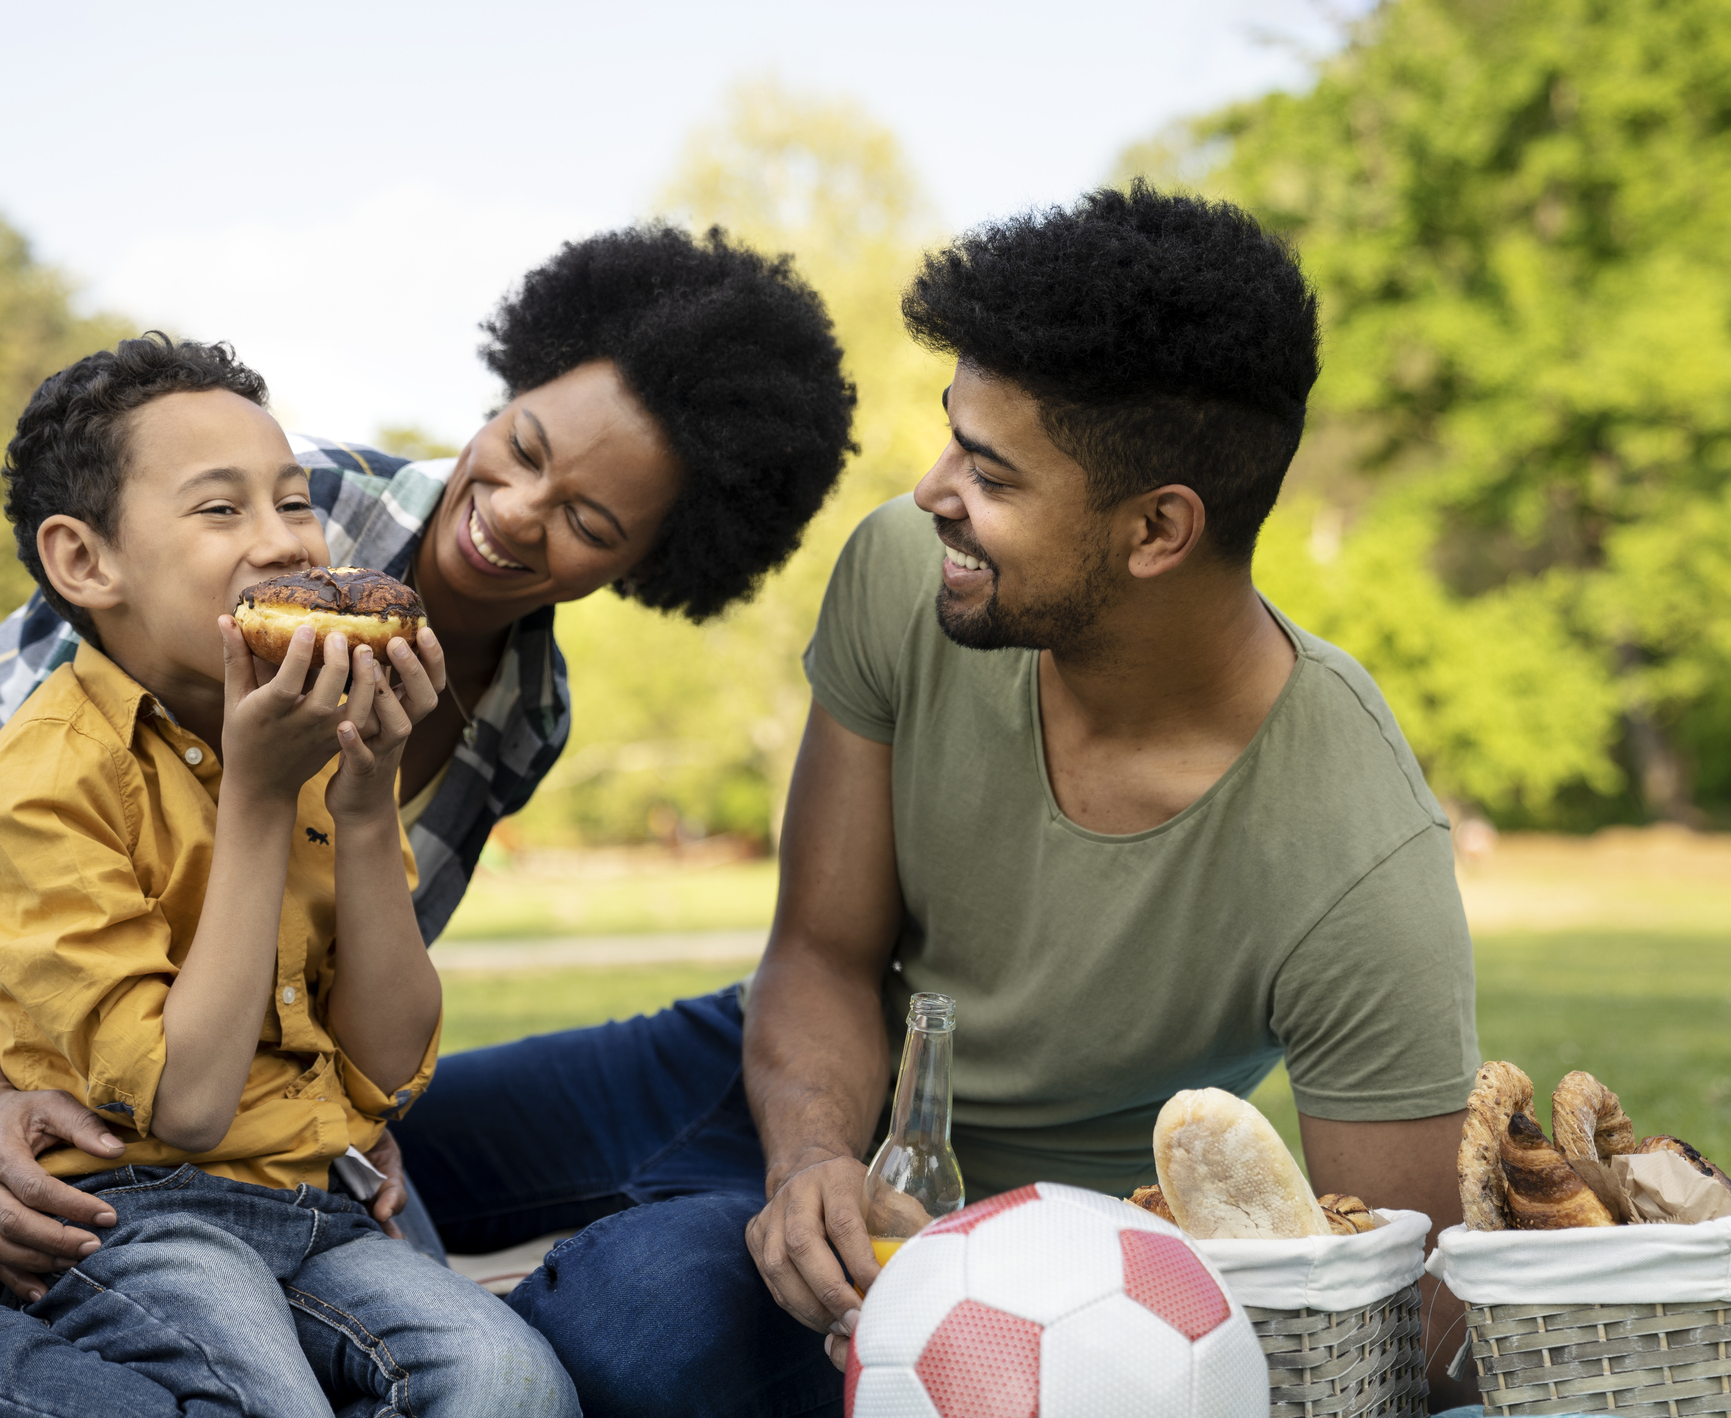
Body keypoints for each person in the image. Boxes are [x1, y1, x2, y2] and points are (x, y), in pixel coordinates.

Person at [386, 183, 1480, 1416]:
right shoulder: (906, 574)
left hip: (1015, 1231)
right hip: (789, 1064)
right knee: (336, 1136)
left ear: (1157, 529)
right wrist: (809, 1156)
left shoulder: (1353, 851)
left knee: (642, 1321)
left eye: (990, 472)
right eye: (952, 433)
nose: (927, 489)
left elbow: (1397, 1313)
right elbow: (819, 948)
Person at [0, 222, 858, 1308]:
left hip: (171, 1045)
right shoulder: (292, 515)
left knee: (447, 1342)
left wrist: (353, 1116)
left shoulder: (527, 711)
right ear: (505, 395)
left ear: (645, 561)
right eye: (522, 447)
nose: (514, 512)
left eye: (586, 518)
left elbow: (345, 932)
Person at [0, 334, 586, 1415]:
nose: (282, 541)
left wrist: (365, 802)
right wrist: (263, 798)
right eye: (220, 510)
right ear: (86, 562)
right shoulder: (47, 777)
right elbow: (182, 1104)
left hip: (313, 1202)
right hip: (127, 1210)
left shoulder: (309, 733)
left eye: (294, 501)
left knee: (513, 1380)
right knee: (264, 1400)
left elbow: (386, 1071)